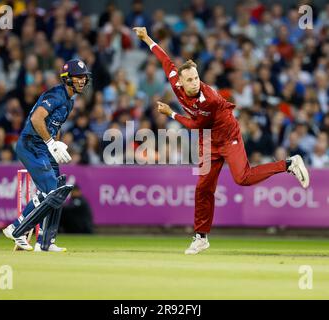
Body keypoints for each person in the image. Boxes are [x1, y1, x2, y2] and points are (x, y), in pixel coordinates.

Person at [133, 27, 310, 255]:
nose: (195, 82)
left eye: (196, 78)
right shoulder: (176, 82)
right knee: (202, 188)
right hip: (208, 141)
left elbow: (196, 125)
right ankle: (201, 238)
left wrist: (171, 114)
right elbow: (165, 60)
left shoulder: (210, 100)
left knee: (242, 178)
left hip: (227, 136)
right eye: (190, 79)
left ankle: (289, 164)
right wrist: (146, 38)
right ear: (182, 82)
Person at [2, 59, 91, 252]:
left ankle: (45, 242)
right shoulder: (56, 94)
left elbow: (55, 126)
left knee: (57, 188)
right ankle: (16, 228)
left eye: (84, 77)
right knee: (52, 190)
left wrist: (56, 143)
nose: (82, 81)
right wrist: (50, 143)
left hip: (44, 146)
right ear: (67, 79)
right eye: (78, 77)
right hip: (31, 144)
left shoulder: (69, 102)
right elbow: (36, 118)